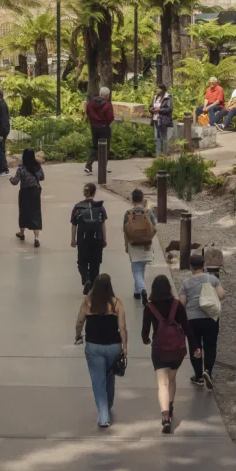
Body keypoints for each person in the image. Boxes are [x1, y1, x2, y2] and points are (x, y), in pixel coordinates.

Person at [73, 273, 127, 429]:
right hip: (113, 346)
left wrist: (78, 335)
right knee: (110, 377)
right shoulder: (117, 303)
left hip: (94, 345)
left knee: (98, 380)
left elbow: (80, 322)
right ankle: (108, 405)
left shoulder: (88, 302)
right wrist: (125, 347)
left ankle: (103, 416)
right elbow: (122, 327)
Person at [142, 274, 189, 434]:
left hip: (159, 350)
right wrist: (196, 347)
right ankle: (170, 405)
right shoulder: (177, 305)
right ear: (169, 288)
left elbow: (144, 331)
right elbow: (187, 327)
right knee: (172, 379)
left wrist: (146, 340)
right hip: (176, 350)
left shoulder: (150, 307)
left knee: (162, 383)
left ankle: (166, 417)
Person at [180, 249, 224, 389]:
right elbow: (222, 295)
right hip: (210, 317)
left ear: (191, 267)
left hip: (192, 320)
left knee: (196, 346)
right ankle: (208, 371)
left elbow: (181, 303)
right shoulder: (212, 279)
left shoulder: (186, 283)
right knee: (210, 345)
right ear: (204, 265)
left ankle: (198, 375)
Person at [71, 182, 107, 293]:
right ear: (94, 192)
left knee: (82, 262)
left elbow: (74, 225)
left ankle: (86, 279)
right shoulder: (100, 207)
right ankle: (93, 288)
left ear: (84, 192)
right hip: (97, 239)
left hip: (83, 239)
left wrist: (73, 239)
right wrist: (104, 239)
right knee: (95, 264)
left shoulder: (77, 207)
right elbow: (102, 224)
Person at [123, 188, 158, 301]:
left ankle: (142, 289)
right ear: (143, 199)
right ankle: (137, 292)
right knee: (141, 268)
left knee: (136, 269)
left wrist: (126, 245)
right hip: (146, 244)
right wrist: (149, 239)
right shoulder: (148, 213)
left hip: (133, 244)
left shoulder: (128, 213)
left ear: (132, 200)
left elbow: (125, 231)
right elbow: (155, 229)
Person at [10, 147, 44, 246]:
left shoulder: (21, 168)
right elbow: (42, 177)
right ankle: (36, 238)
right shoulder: (38, 166)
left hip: (24, 193)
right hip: (35, 192)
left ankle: (22, 233)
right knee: (35, 213)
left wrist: (11, 179)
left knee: (23, 212)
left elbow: (15, 182)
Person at [83, 86, 114, 174]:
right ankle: (103, 167)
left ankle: (88, 166)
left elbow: (88, 112)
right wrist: (106, 123)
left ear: (100, 93)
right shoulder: (107, 104)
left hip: (94, 126)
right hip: (104, 127)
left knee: (94, 146)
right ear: (107, 95)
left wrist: (93, 121)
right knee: (105, 147)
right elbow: (110, 117)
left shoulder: (91, 102)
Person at [150, 83, 173, 156]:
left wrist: (159, 110)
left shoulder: (168, 97)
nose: (156, 90)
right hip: (155, 119)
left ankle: (166, 153)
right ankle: (158, 154)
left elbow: (169, 109)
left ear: (162, 90)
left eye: (158, 88)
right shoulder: (155, 97)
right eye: (156, 88)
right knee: (157, 137)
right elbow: (150, 106)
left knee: (164, 137)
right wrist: (151, 110)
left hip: (163, 119)